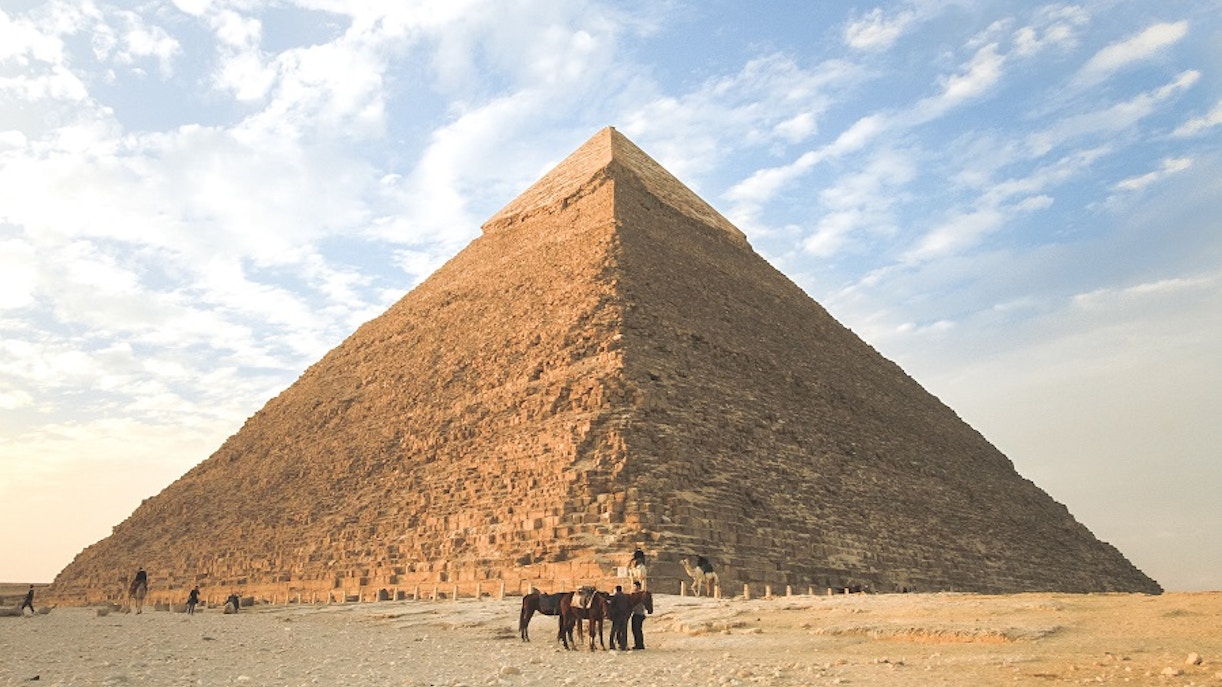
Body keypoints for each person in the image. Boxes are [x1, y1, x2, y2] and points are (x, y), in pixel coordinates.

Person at [609, 585, 632, 651]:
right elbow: (629, 605)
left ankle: (612, 645)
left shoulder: (615, 596)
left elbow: (611, 605)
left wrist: (611, 614)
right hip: (624, 616)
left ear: (616, 589)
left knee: (614, 630)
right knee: (624, 631)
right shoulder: (626, 596)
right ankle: (623, 645)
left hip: (617, 616)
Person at [630, 581, 649, 650]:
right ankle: (638, 644)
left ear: (638, 587)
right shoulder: (639, 594)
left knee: (637, 630)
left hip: (638, 614)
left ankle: (639, 645)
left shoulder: (639, 595)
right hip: (638, 614)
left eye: (635, 586)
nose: (634, 588)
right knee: (636, 630)